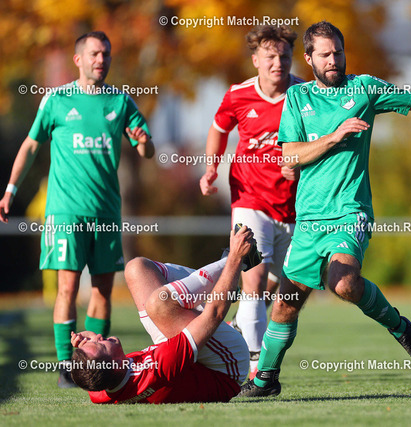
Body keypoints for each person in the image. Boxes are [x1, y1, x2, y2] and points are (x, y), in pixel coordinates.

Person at [239, 21, 411, 397]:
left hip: (351, 211)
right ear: (309, 59)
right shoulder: (298, 97)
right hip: (309, 220)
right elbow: (290, 154)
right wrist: (334, 137)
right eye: (325, 55)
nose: (333, 60)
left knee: (344, 283)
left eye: (338, 52)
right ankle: (265, 379)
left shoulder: (363, 87)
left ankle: (400, 328)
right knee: (285, 306)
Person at [0, 31, 155, 387]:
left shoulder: (121, 101)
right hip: (66, 211)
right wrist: (10, 190)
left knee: (101, 292)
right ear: (78, 60)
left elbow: (146, 149)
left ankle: (98, 364)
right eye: (95, 53)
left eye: (106, 54)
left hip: (106, 213)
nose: (101, 60)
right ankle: (66, 367)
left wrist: (144, 143)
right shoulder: (57, 100)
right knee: (67, 289)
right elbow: (31, 145)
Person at [199, 25, 303, 379]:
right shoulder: (238, 95)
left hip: (293, 208)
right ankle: (256, 369)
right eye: (270, 56)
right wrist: (211, 167)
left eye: (284, 56)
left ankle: (239, 328)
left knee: (282, 288)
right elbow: (218, 129)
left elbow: (320, 143)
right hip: (249, 198)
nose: (278, 63)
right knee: (253, 279)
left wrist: (300, 165)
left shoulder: (305, 95)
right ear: (256, 60)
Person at [69, 226, 257, 403]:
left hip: (188, 361)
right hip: (226, 366)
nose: (99, 337)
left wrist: (85, 350)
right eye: (100, 345)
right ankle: (236, 264)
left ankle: (225, 281)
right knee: (159, 304)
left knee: (136, 269)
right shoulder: (160, 369)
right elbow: (214, 314)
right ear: (116, 365)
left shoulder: (100, 390)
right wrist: (235, 257)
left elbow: (88, 376)